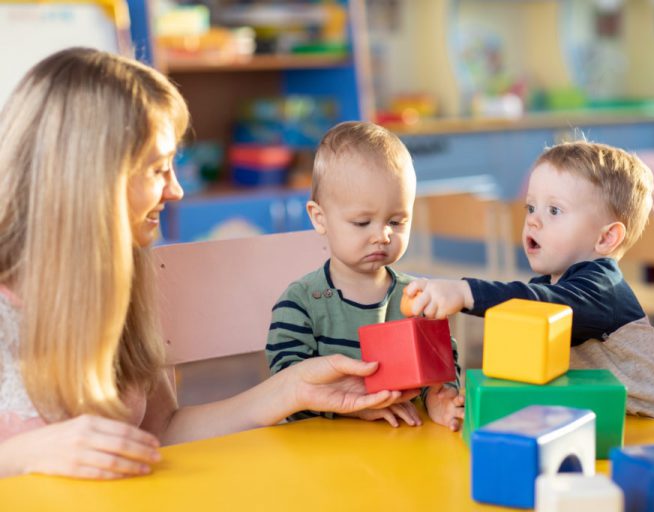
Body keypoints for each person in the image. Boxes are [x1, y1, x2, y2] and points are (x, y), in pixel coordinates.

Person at [0, 48, 408, 480]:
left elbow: (162, 430)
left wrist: (292, 389)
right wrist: (30, 453)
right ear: (88, 178)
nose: (175, 190)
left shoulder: (124, 283)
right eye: (158, 169)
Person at [403, 140, 654, 426]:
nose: (533, 222)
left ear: (605, 238)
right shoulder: (547, 286)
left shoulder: (602, 288)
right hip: (598, 423)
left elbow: (542, 303)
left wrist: (464, 291)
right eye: (530, 207)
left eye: (554, 210)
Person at [265, 121, 464, 431]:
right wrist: (350, 409)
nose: (383, 235)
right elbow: (285, 387)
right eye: (361, 223)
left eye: (397, 221)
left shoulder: (415, 297)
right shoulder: (301, 302)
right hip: (324, 447)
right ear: (320, 218)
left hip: (402, 442)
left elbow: (440, 366)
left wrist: (439, 397)